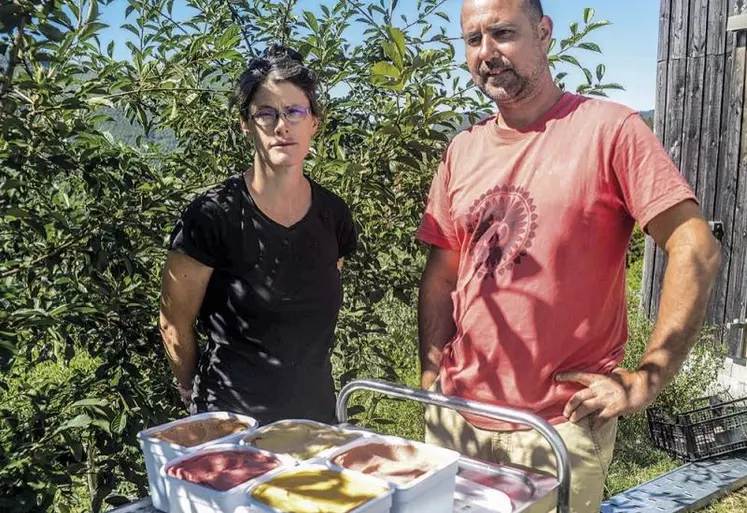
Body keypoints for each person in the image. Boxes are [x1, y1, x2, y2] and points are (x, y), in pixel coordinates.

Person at [416, 0, 721, 511]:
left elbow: (696, 247)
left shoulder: (611, 130)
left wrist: (648, 377)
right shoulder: (462, 149)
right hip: (456, 420)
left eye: (503, 33)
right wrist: (430, 377)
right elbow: (443, 276)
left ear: (544, 33)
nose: (487, 52)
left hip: (556, 429)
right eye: (473, 40)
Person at [158, 45, 357, 426]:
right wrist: (192, 395)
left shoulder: (334, 216)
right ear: (246, 124)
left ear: (314, 121)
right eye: (266, 113)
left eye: (295, 111)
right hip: (231, 431)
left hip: (314, 425)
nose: (282, 126)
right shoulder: (212, 215)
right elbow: (173, 322)